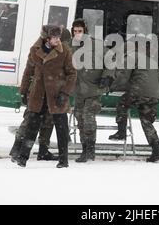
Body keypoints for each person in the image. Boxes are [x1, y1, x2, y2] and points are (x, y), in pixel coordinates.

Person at [11, 25, 76, 168]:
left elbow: (72, 74)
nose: (58, 40)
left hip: (57, 96)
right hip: (38, 95)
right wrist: (24, 91)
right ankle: (23, 157)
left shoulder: (64, 51)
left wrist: (65, 93)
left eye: (59, 38)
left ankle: (63, 160)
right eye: (55, 38)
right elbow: (28, 72)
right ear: (46, 38)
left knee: (62, 129)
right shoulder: (35, 51)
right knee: (31, 128)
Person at [109, 36, 159, 162]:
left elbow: (123, 76)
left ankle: (121, 132)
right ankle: (157, 152)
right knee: (146, 122)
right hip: (154, 95)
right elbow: (158, 78)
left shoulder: (132, 57)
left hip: (138, 91)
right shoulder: (151, 61)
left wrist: (112, 86)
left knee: (122, 103)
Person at [71, 19, 114, 163]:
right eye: (75, 31)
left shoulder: (97, 45)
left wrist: (107, 76)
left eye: (80, 31)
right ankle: (85, 148)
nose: (77, 34)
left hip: (94, 88)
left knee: (88, 117)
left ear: (85, 32)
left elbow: (111, 60)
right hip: (78, 90)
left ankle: (90, 149)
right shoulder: (70, 47)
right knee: (79, 118)